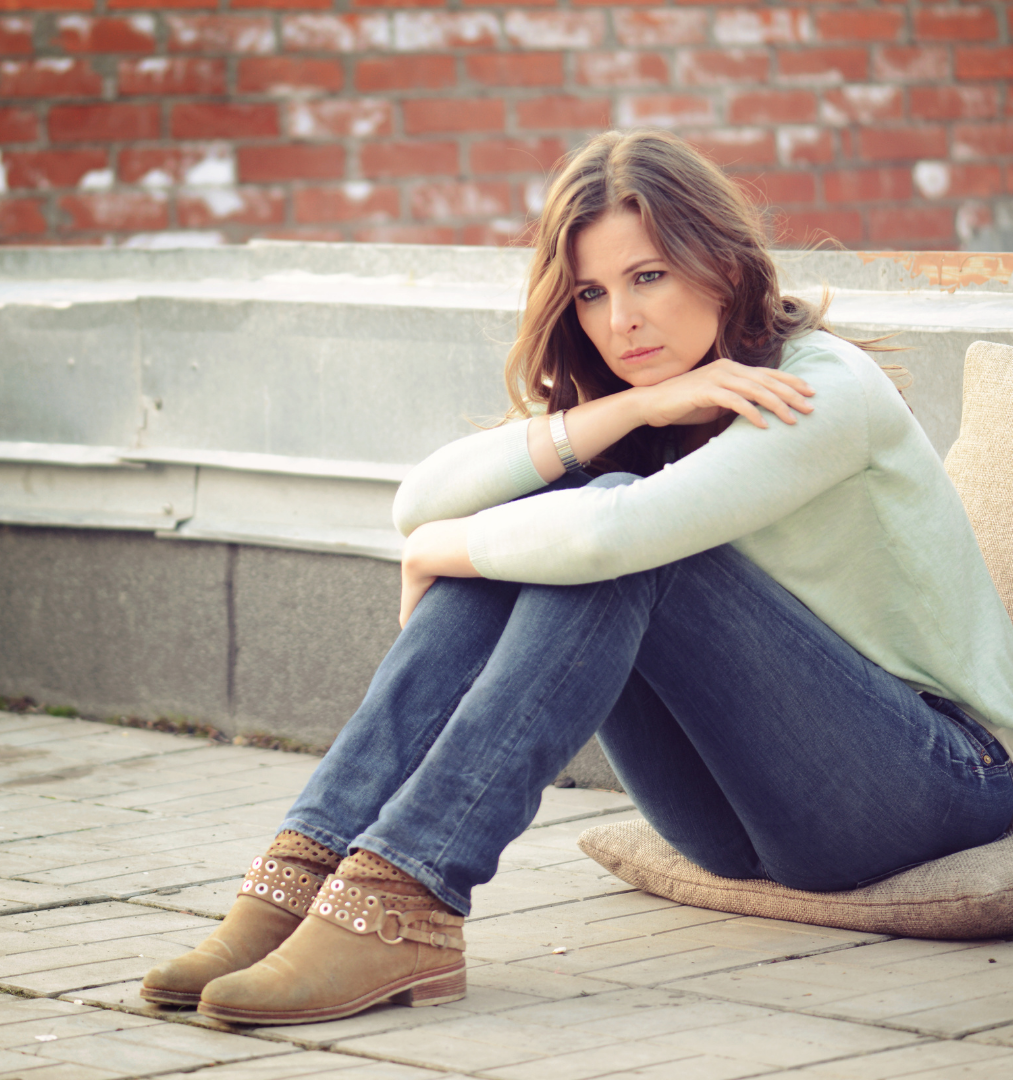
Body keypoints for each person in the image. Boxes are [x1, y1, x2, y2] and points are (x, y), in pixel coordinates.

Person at [142, 130, 1013, 1026]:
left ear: (719, 262)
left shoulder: (822, 388)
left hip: (934, 776)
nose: (619, 321)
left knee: (610, 532)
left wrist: (442, 552)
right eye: (592, 293)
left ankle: (405, 894)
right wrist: (625, 410)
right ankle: (306, 869)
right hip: (735, 820)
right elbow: (420, 499)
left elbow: (601, 537)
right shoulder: (648, 403)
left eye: (649, 278)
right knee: (568, 512)